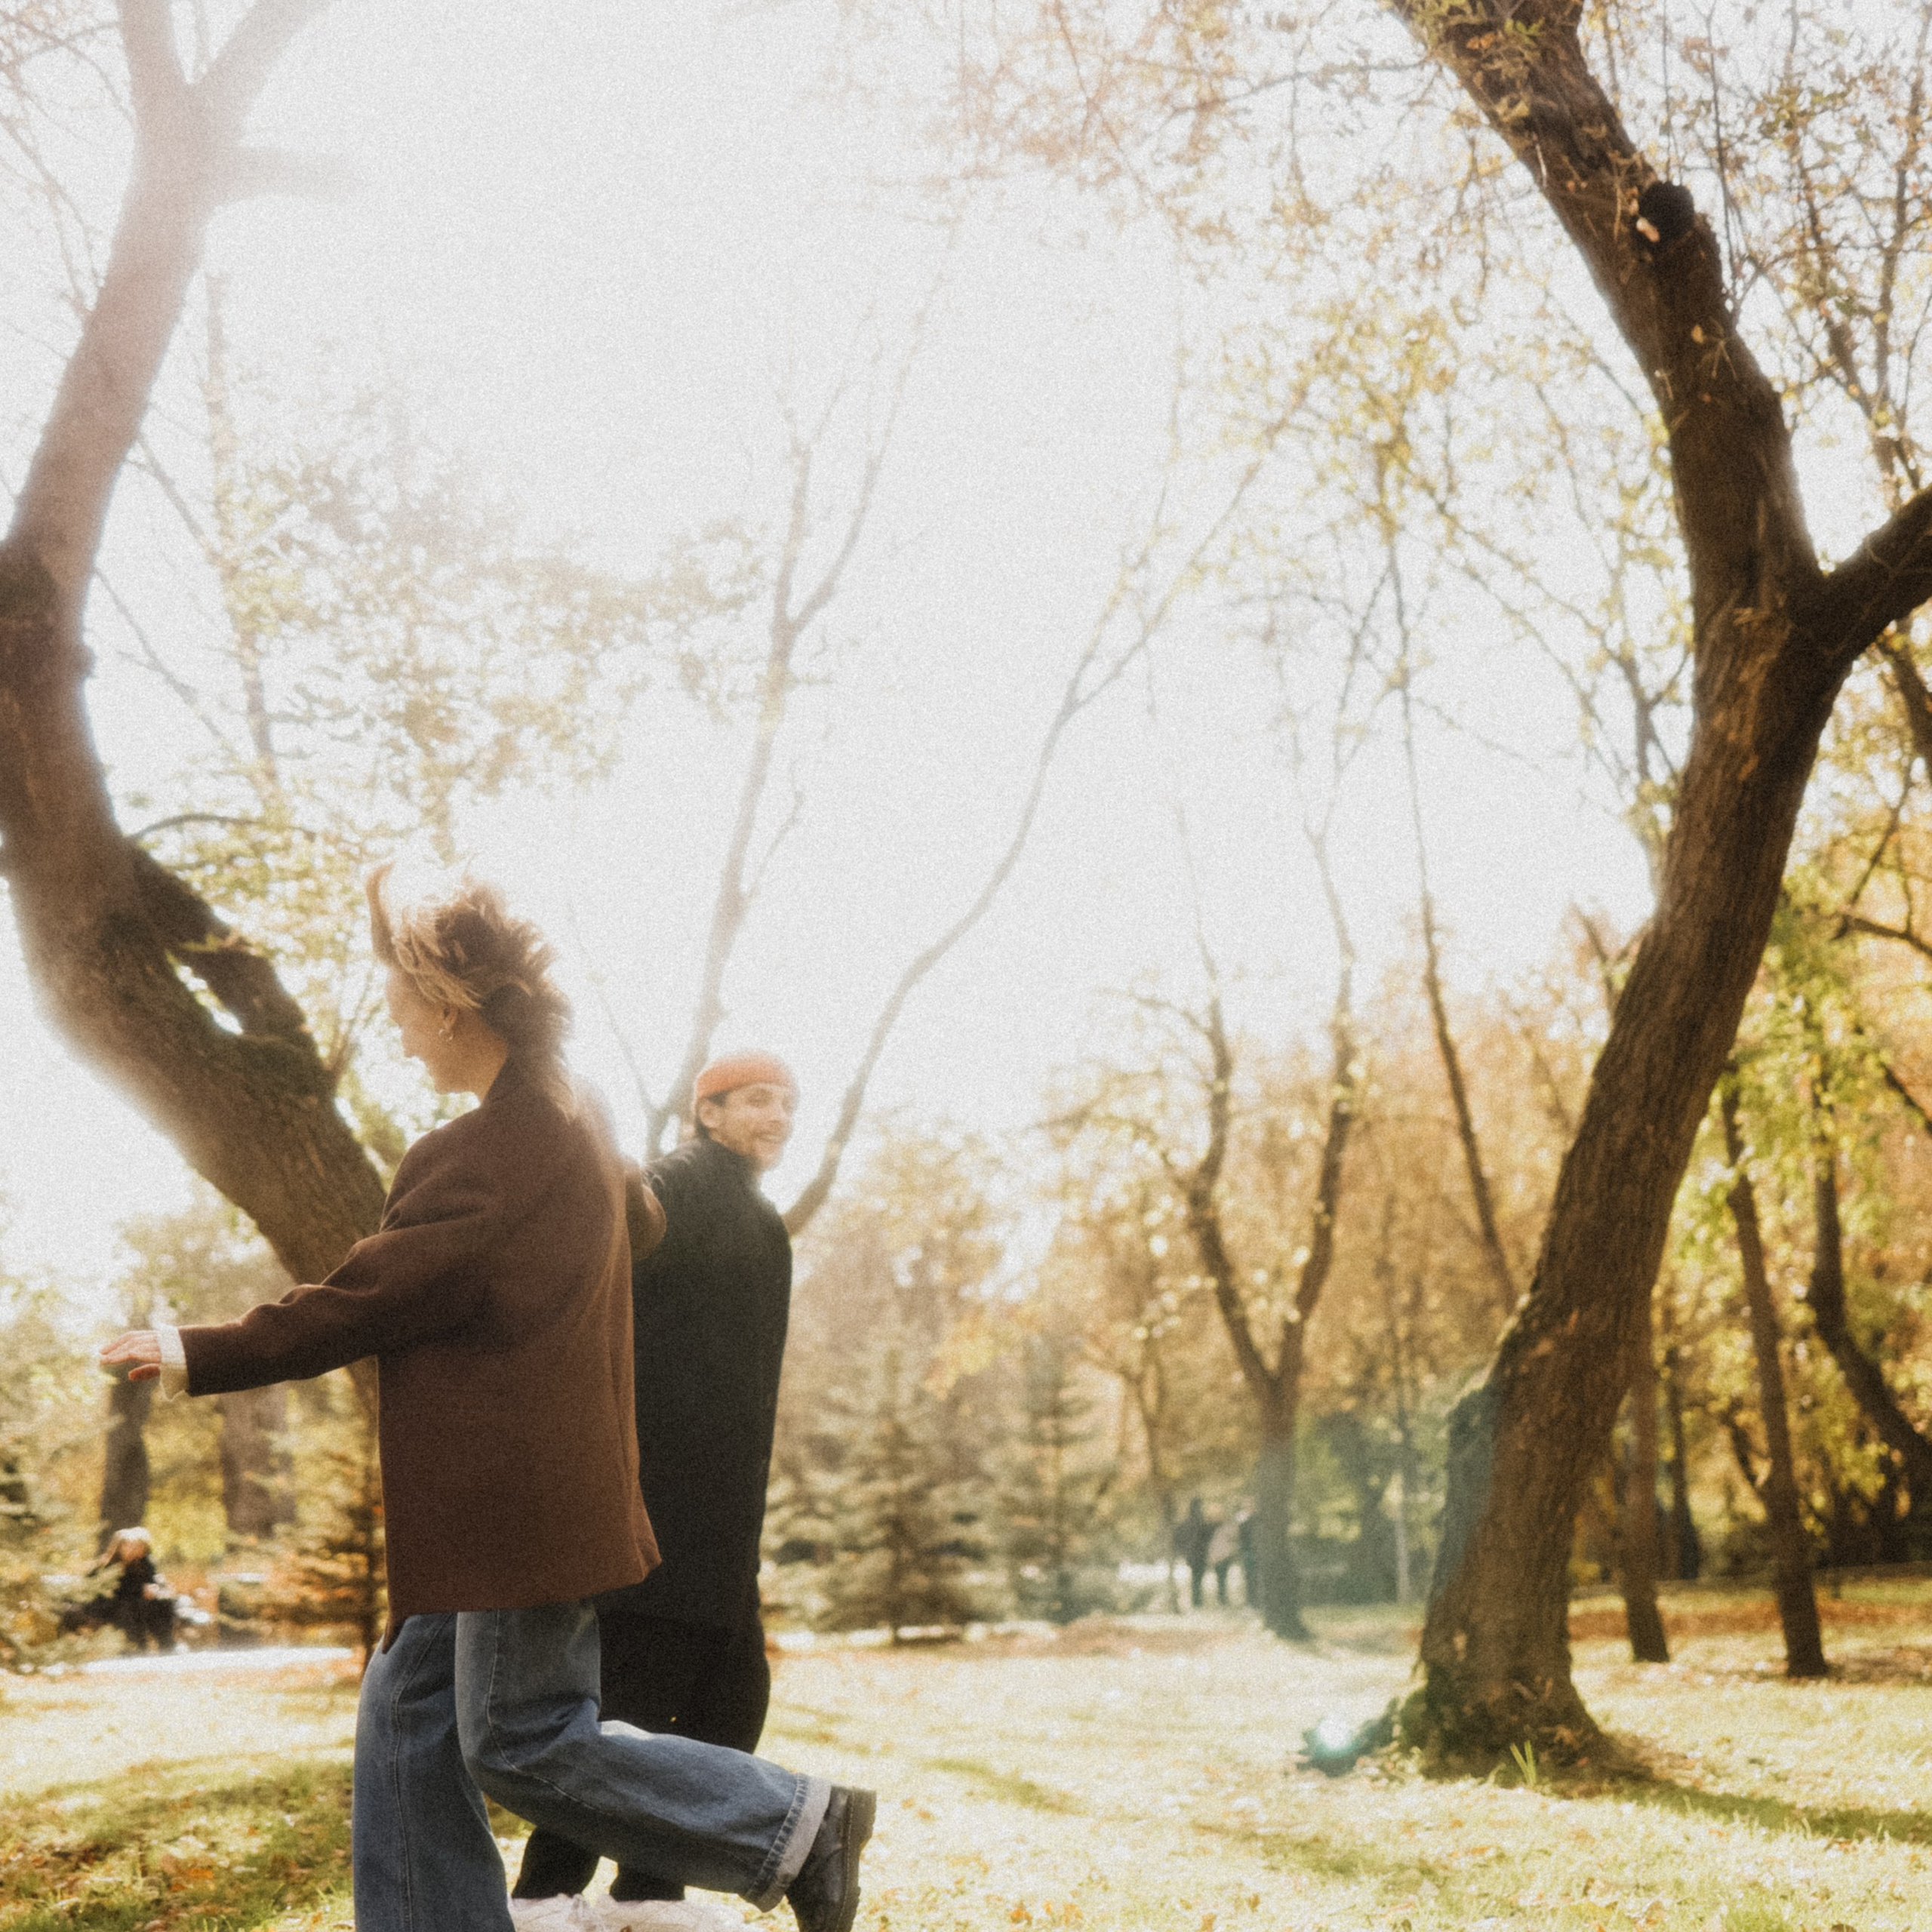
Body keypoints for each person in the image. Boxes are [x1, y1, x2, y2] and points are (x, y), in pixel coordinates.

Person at [100, 866, 873, 1932]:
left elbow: (366, 1299)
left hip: (516, 1505)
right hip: (512, 1503)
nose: (401, 1036)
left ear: (455, 1009)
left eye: (406, 1014)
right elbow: (637, 1225)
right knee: (408, 1714)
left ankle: (791, 1826)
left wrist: (196, 1350)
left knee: (522, 1735)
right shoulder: (573, 1119)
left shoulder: (488, 1152)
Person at [514, 1049, 799, 1931]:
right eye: (757, 1101)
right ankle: (541, 1894)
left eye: (788, 1104)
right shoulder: (672, 1188)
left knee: (727, 1696)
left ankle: (647, 1892)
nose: (778, 1117)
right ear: (706, 1111)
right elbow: (591, 1290)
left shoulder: (758, 1214)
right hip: (658, 1497)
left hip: (722, 1510)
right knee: (634, 1703)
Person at [62, 1526, 177, 1650]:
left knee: (162, 1603)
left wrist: (156, 1590)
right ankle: (136, 1646)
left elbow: (154, 1582)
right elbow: (112, 1592)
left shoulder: (145, 1565)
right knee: (130, 1607)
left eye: (138, 1546)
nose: (133, 1550)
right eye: (128, 1546)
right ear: (119, 1547)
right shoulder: (108, 1566)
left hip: (134, 1602)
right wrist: (140, 1591)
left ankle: (166, 1643)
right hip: (106, 1605)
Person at [1173, 1497, 1214, 1611]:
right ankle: (1197, 1602)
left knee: (1196, 1579)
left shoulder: (1187, 1522)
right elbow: (1207, 1536)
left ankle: (1197, 1602)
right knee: (1197, 1579)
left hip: (1192, 1554)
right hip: (1199, 1554)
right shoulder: (1200, 1522)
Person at [1207, 1515, 1239, 1607]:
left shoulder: (1226, 1529)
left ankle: (1222, 1598)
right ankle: (1222, 1599)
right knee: (1221, 1579)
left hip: (1223, 1558)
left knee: (1222, 1579)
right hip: (1219, 1558)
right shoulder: (1215, 1530)